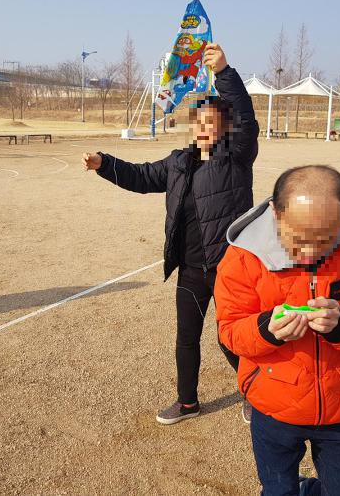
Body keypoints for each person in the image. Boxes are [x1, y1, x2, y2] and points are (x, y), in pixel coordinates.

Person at [82, 43, 259, 425]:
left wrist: (224, 72)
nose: (204, 127)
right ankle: (187, 402)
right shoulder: (179, 162)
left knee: (231, 338)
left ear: (225, 127)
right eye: (200, 122)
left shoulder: (236, 157)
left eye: (213, 122)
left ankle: (255, 392)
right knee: (186, 338)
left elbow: (246, 117)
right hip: (191, 269)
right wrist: (104, 164)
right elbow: (142, 176)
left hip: (229, 267)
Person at [215, 165, 340, 496]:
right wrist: (267, 329)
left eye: (325, 239)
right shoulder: (243, 256)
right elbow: (230, 331)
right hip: (272, 407)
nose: (310, 252)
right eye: (298, 238)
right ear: (276, 213)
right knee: (278, 491)